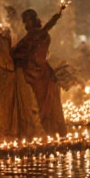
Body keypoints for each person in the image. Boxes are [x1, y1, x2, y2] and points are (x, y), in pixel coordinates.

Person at [12, 7, 68, 136]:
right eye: (24, 22)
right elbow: (19, 51)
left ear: (33, 20)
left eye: (27, 21)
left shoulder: (40, 35)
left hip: (38, 74)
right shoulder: (30, 37)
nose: (26, 24)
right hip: (33, 72)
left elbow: (36, 56)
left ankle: (46, 131)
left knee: (43, 105)